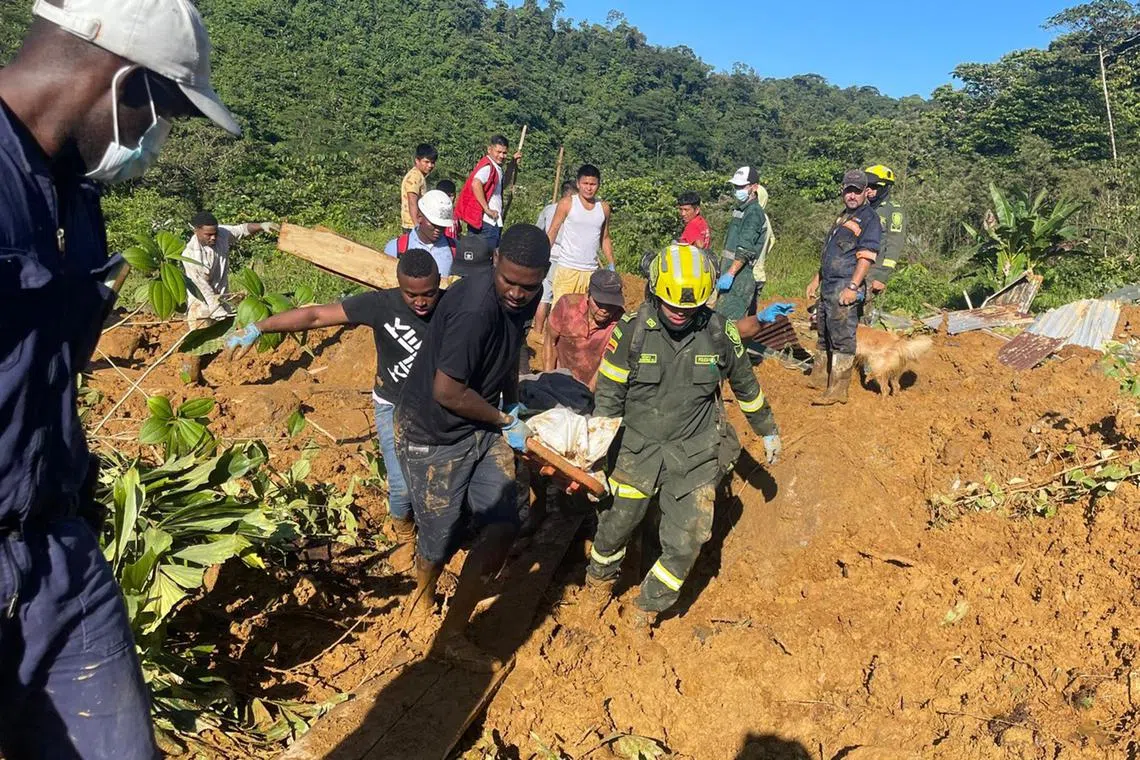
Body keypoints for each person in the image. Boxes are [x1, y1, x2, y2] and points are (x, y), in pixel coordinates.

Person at [0, 0, 238, 755]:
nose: (152, 141)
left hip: (56, 548)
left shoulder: (77, 200)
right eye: (158, 114)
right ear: (123, 84)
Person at [586, 244, 781, 630]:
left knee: (689, 538)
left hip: (694, 453)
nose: (679, 312)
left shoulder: (720, 332)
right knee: (616, 526)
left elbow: (746, 386)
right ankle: (598, 583)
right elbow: (608, 396)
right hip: (635, 450)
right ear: (654, 291)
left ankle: (646, 609)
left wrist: (768, 430)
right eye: (671, 304)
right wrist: (594, 454)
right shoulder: (631, 331)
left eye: (688, 308)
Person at [225, 250, 442, 571]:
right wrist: (259, 327)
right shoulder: (381, 304)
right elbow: (315, 317)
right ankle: (404, 535)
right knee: (401, 487)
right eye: (412, 294)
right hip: (392, 405)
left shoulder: (452, 307)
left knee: (438, 482)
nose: (421, 302)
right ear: (399, 286)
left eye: (429, 294)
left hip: (437, 408)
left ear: (439, 284)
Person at [395, 224, 550, 669]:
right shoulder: (473, 308)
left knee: (503, 524)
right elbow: (446, 390)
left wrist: (514, 402)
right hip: (434, 433)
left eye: (529, 285)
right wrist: (503, 418)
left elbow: (508, 350)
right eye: (510, 282)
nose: (519, 294)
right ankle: (422, 598)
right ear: (495, 261)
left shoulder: (526, 296)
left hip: (480, 425)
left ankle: (452, 633)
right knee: (439, 539)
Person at [805, 170, 882, 405]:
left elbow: (866, 258)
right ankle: (820, 377)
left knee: (842, 336)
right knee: (824, 331)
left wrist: (852, 286)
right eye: (848, 190)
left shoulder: (869, 219)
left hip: (845, 284)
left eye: (856, 191)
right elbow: (832, 253)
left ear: (865, 193)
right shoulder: (843, 217)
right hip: (828, 282)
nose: (851, 195)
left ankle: (838, 390)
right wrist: (816, 280)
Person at [181, 211, 279, 383]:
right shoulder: (191, 256)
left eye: (215, 233)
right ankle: (189, 382)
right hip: (202, 305)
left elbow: (242, 229)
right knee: (197, 345)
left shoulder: (221, 234)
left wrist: (263, 226)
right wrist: (223, 316)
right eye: (208, 235)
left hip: (222, 298)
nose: (213, 238)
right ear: (196, 230)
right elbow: (205, 292)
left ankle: (202, 377)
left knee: (216, 345)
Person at [542, 269, 625, 390]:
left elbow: (604, 364)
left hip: (593, 388)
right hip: (559, 380)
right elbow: (550, 342)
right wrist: (547, 383)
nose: (605, 310)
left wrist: (588, 395)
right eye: (600, 303)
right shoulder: (566, 306)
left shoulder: (620, 323)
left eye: (611, 304)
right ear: (588, 295)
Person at [547, 164, 616, 305]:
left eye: (593, 184)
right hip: (567, 269)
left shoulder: (603, 208)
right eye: (585, 183)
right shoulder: (567, 203)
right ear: (578, 184)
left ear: (598, 185)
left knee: (584, 316)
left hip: (591, 272)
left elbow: (605, 238)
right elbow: (553, 231)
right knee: (561, 314)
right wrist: (542, 258)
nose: (589, 188)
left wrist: (611, 265)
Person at [715, 166, 769, 320]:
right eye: (736, 186)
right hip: (730, 273)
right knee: (720, 320)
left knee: (729, 323)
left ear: (754, 187)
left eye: (742, 186)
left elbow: (745, 248)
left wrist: (730, 274)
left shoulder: (754, 213)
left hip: (740, 278)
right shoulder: (740, 209)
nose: (737, 190)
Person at [454, 135, 521, 250]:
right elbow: (476, 183)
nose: (501, 156)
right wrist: (487, 209)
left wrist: (512, 164)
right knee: (483, 258)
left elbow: (503, 184)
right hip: (486, 222)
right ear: (490, 150)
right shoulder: (488, 167)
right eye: (498, 152)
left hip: (490, 222)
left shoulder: (495, 167)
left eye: (504, 153)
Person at [532, 179, 578, 335]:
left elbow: (538, 231)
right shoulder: (574, 211)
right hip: (566, 260)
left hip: (548, 255)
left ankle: (538, 332)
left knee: (544, 296)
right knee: (560, 299)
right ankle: (552, 334)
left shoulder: (548, 209)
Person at [863, 164, 906, 322]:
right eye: (867, 186)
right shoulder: (863, 209)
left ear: (885, 188)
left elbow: (894, 245)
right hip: (856, 267)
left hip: (874, 269)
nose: (869, 190)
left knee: (863, 312)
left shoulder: (893, 211)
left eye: (874, 187)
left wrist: (882, 276)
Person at [383, 189, 457, 277]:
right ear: (419, 217)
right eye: (434, 224)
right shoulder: (396, 248)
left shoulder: (455, 249)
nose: (438, 229)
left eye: (442, 225)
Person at [400, 143, 438, 233]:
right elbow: (412, 201)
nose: (430, 165)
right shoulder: (414, 177)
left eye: (432, 162)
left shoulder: (420, 176)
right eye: (426, 162)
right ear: (417, 160)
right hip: (411, 225)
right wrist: (417, 226)